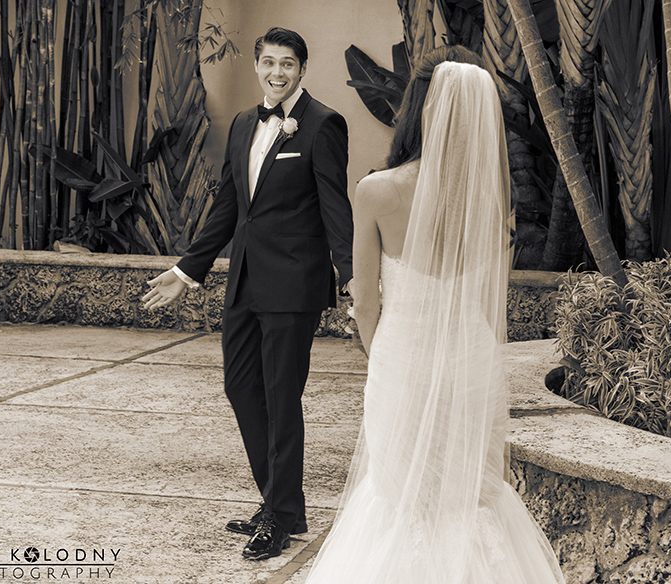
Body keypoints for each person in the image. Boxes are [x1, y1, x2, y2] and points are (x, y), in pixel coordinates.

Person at [304, 46, 565, 583]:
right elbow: (492, 300)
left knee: (401, 494)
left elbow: (366, 303)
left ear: (419, 107)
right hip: (471, 359)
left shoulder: (376, 191)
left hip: (404, 356)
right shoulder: (492, 199)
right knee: (468, 496)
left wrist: (384, 358)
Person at [142, 27, 353, 561]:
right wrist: (185, 271)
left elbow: (335, 206)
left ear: (302, 69)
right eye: (268, 63)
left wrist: (351, 276)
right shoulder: (241, 124)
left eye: (288, 64)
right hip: (244, 283)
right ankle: (280, 503)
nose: (277, 73)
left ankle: (281, 517)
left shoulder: (324, 125)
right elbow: (228, 210)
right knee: (241, 388)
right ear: (257, 66)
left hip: (294, 285)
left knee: (282, 400)